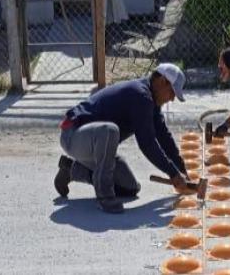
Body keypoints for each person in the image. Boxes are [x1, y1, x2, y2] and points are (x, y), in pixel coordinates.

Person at [54, 63, 191, 214]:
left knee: (129, 187)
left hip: (94, 145)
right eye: (172, 93)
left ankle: (71, 170)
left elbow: (163, 135)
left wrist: (181, 169)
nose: (171, 99)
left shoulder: (151, 99)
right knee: (110, 130)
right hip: (73, 134)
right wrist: (173, 174)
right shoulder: (140, 95)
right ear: (162, 81)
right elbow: (147, 143)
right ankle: (104, 197)